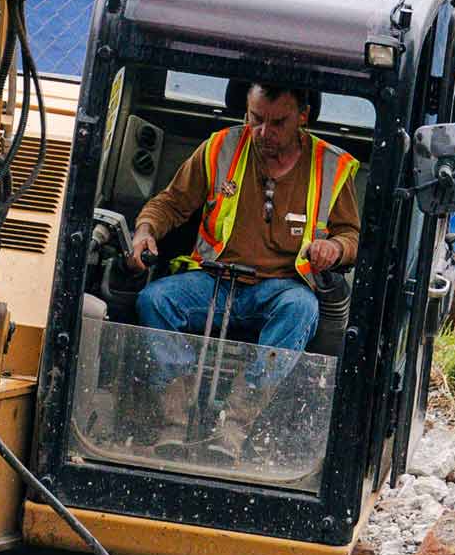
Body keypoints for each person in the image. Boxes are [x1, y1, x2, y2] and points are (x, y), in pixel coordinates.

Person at [125, 80, 361, 435]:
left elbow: (351, 236)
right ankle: (176, 420)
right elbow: (170, 204)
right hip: (213, 282)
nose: (264, 132)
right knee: (155, 300)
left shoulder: (331, 166)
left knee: (301, 310)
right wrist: (145, 231)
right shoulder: (220, 147)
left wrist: (336, 248)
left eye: (277, 123)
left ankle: (234, 425)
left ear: (303, 117)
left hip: (281, 289)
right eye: (256, 119)